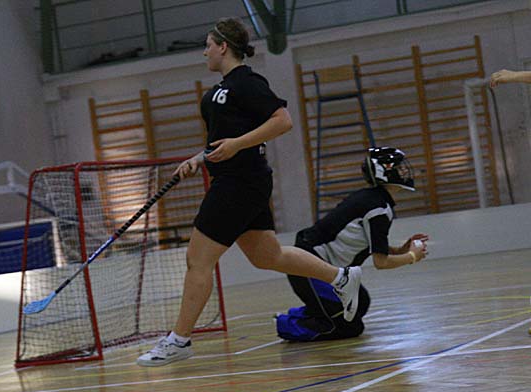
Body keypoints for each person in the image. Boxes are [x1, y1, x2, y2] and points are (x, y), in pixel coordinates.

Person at [137, 17, 362, 367]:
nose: (205, 52)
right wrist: (198, 158)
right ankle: (341, 277)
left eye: (208, 46)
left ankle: (179, 340)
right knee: (267, 256)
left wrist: (237, 145)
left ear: (223, 46)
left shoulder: (247, 82)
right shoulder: (220, 91)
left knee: (198, 260)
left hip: (238, 183)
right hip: (242, 181)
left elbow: (282, 120)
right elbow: (223, 140)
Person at [275, 147, 428, 341]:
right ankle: (286, 324)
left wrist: (399, 250)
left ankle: (313, 312)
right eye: (399, 167)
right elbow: (381, 263)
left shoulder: (374, 201)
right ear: (384, 172)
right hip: (308, 267)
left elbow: (369, 244)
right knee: (350, 328)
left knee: (360, 302)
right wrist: (412, 256)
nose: (404, 171)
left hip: (315, 264)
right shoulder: (378, 208)